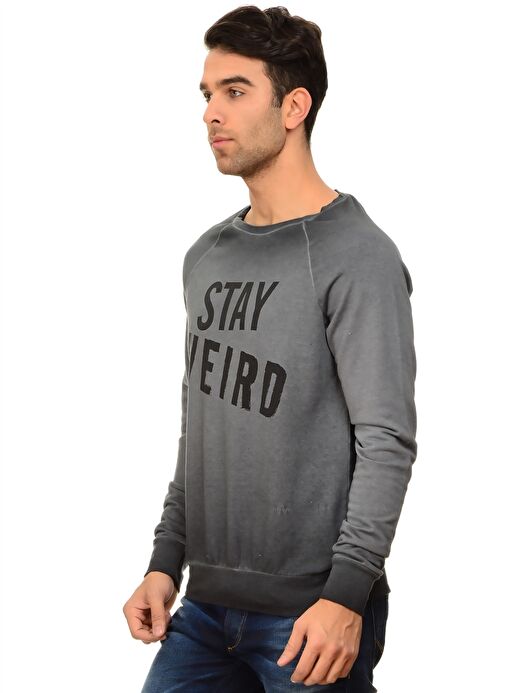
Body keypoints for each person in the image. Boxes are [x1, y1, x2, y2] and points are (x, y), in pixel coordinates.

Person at [123, 5, 417, 691]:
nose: (210, 113)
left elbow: (386, 440)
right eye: (207, 93)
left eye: (234, 91)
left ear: (294, 107)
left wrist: (347, 593)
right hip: (202, 610)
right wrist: (166, 560)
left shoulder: (357, 254)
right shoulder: (207, 256)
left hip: (311, 614)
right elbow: (202, 428)